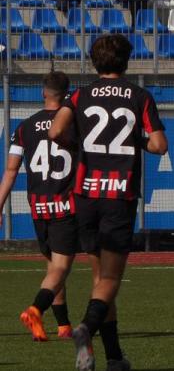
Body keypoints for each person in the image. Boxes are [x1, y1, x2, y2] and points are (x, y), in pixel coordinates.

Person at [49, 34, 168, 371]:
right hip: (118, 195)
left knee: (99, 278)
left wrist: (82, 143)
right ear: (126, 61)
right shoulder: (139, 96)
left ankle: (113, 357)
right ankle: (85, 328)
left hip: (86, 194)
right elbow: (159, 145)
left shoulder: (79, 95)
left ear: (94, 62)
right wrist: (138, 141)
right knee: (112, 279)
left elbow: (55, 132)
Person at [0, 72, 79, 343]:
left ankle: (64, 326)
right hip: (65, 206)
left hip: (38, 208)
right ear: (67, 95)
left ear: (43, 93)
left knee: (52, 269)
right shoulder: (74, 123)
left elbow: (10, 171)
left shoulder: (24, 127)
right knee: (61, 269)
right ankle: (35, 309)